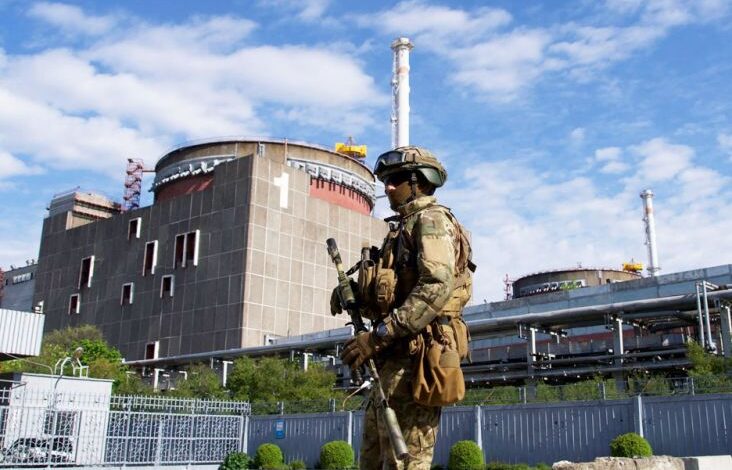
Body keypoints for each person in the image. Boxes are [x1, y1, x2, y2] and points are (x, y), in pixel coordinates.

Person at [332, 146, 474, 469]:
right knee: (372, 459)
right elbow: (394, 296)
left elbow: (436, 287)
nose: (387, 188)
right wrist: (354, 295)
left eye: (395, 180)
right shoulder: (402, 229)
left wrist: (377, 336)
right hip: (390, 364)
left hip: (416, 363)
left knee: (405, 462)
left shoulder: (431, 221)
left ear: (419, 182)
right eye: (386, 180)